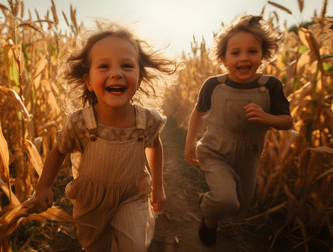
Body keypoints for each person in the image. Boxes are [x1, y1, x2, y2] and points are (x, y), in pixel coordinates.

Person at [28, 26, 175, 251]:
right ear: (88, 81)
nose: (116, 73)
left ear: (140, 76)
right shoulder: (80, 123)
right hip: (91, 200)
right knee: (95, 245)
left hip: (132, 194)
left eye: (127, 66)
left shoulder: (147, 121)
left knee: (135, 245)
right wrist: (44, 186)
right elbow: (59, 150)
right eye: (104, 66)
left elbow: (154, 145)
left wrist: (158, 187)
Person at [184, 15, 293, 247]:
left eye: (252, 51)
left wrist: (267, 117)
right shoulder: (214, 85)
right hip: (215, 150)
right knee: (226, 201)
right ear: (223, 58)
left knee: (240, 205)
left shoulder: (270, 86)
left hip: (249, 155)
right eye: (236, 53)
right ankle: (209, 216)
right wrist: (190, 143)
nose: (244, 58)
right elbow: (198, 114)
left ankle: (212, 205)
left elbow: (287, 122)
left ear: (263, 55)